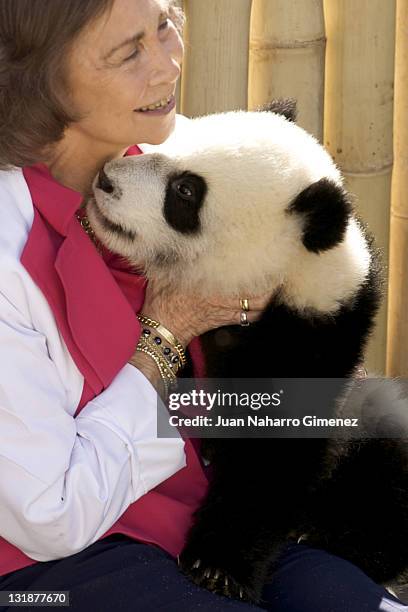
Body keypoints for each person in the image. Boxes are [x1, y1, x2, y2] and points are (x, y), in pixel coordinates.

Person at [0, 1, 406, 610]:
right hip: (53, 564)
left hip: (195, 508)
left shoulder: (179, 143)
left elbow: (330, 266)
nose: (166, 65)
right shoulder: (11, 249)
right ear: (40, 76)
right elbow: (49, 516)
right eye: (128, 52)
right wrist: (167, 332)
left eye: (163, 26)